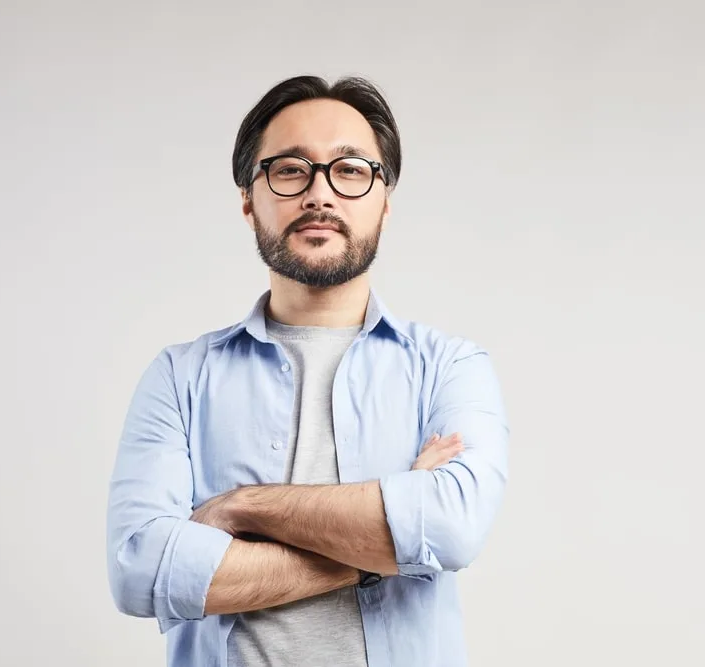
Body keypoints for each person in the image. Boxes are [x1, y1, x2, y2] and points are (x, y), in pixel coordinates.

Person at [106, 74, 510, 667]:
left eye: (349, 171)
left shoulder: (448, 368)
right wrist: (384, 546)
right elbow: (141, 569)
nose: (320, 194)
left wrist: (243, 506)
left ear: (384, 204)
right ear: (250, 199)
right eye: (291, 169)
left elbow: (450, 530)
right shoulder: (180, 378)